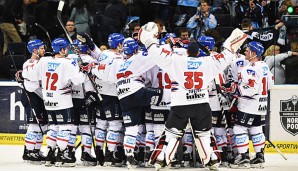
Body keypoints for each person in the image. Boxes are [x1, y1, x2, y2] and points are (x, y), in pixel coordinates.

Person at [138, 22, 247, 171]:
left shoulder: (176, 60)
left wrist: (149, 39)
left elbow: (155, 53)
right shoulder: (208, 62)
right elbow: (227, 55)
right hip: (201, 104)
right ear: (198, 53)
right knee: (204, 135)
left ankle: (161, 160)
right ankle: (212, 160)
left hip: (180, 105)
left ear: (187, 52)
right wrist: (236, 39)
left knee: (171, 135)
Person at [30, 38, 87, 167]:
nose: (67, 50)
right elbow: (78, 80)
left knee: (53, 126)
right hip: (63, 100)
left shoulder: (44, 61)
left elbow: (36, 75)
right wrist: (83, 70)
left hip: (49, 99)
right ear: (61, 49)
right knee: (65, 127)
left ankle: (50, 153)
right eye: (66, 48)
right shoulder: (68, 62)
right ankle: (62, 153)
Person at [230, 41, 274, 169]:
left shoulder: (250, 68)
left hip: (249, 104)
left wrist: (235, 90)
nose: (245, 52)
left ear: (253, 53)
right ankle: (259, 157)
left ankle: (243, 158)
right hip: (261, 104)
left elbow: (250, 89)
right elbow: (270, 83)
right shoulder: (264, 65)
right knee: (256, 129)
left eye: (247, 50)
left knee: (239, 128)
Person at [16, 39, 48, 164]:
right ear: (35, 50)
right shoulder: (29, 63)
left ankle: (36, 150)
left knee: (42, 125)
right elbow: (34, 75)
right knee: (34, 125)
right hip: (31, 96)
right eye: (41, 48)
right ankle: (28, 152)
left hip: (40, 97)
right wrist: (23, 75)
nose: (44, 50)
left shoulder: (41, 62)